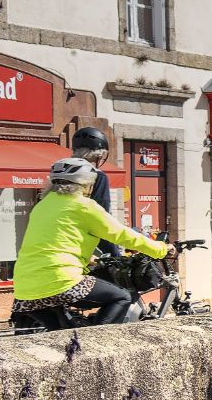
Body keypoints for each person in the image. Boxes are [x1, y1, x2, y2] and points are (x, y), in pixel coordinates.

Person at [11, 159, 168, 327]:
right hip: (61, 281)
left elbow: (53, 241)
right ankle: (98, 344)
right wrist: (161, 249)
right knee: (122, 297)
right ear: (85, 184)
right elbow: (121, 234)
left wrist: (88, 257)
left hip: (24, 289)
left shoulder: (42, 206)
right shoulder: (84, 206)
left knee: (63, 335)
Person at [71, 127, 122, 258]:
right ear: (99, 155)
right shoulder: (97, 176)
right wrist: (115, 255)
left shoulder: (60, 174)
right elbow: (101, 220)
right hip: (86, 248)